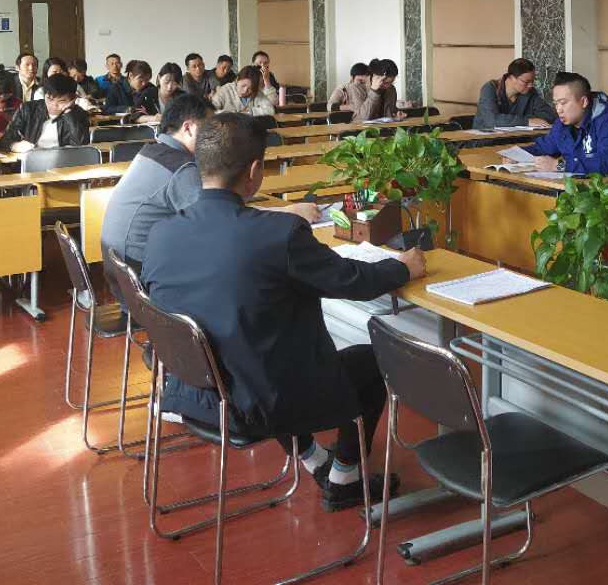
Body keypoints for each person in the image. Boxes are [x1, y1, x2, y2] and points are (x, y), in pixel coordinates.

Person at [142, 113, 424, 510]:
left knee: (253, 351)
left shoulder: (160, 233)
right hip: (256, 401)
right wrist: (403, 267)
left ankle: (314, 459)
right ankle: (345, 477)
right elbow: (352, 282)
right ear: (255, 171)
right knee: (372, 360)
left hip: (192, 393)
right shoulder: (278, 234)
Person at [101, 95, 318, 273]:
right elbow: (221, 220)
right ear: (188, 128)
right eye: (208, 130)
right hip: (142, 273)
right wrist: (288, 213)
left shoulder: (151, 151)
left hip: (121, 268)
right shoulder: (181, 168)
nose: (214, 137)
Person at [524, 72, 608, 175]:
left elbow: (607, 164)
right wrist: (516, 154)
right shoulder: (561, 124)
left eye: (563, 103)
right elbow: (542, 147)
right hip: (577, 186)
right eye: (556, 104)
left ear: (584, 102)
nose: (558, 110)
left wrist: (559, 165)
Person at [3, 73, 90, 152]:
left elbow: (82, 145)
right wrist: (14, 146)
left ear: (73, 99)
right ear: (44, 95)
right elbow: (5, 140)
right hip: (32, 159)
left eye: (61, 101)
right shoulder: (28, 109)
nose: (54, 105)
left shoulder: (79, 114)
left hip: (64, 161)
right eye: (49, 99)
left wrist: (69, 112)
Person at [474, 58, 555, 131]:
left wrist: (509, 120)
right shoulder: (490, 88)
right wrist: (527, 121)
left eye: (532, 81)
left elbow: (549, 115)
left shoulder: (530, 92)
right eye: (526, 82)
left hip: (516, 138)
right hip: (486, 138)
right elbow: (492, 120)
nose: (530, 85)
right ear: (511, 77)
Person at [211, 64, 276, 117]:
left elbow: (270, 110)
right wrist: (234, 114)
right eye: (243, 86)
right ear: (237, 80)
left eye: (250, 88)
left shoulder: (256, 93)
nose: (245, 91)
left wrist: (249, 112)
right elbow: (211, 110)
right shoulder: (226, 90)